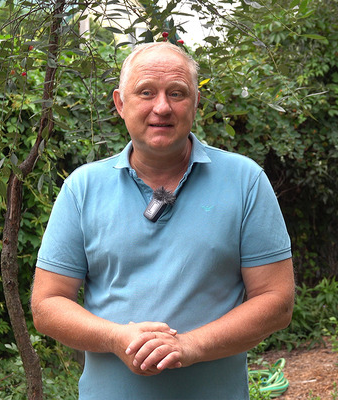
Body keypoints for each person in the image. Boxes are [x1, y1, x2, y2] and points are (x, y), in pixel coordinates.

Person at [30, 41, 295, 399]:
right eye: (146, 92)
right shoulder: (82, 188)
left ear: (196, 102)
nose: (162, 107)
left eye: (177, 93)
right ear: (120, 103)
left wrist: (191, 346)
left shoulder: (245, 181)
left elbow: (277, 301)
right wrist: (116, 338)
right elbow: (47, 304)